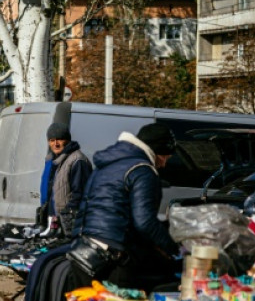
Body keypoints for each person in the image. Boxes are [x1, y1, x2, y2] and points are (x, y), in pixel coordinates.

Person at [70, 122, 180, 291]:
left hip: (86, 250)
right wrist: (173, 248)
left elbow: (86, 204)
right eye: (166, 157)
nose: (164, 164)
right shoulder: (143, 170)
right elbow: (144, 222)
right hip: (116, 258)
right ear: (157, 151)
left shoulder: (106, 165)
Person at [39, 122, 92, 235]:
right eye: (52, 140)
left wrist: (67, 219)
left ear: (67, 140)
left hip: (67, 226)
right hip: (52, 223)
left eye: (59, 139)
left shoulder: (77, 160)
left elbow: (81, 195)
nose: (56, 144)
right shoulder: (51, 161)